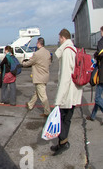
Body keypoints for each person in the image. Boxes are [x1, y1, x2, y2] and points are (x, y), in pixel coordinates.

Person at [51, 28, 83, 156]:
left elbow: (65, 77)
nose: (59, 41)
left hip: (68, 93)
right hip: (73, 91)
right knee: (66, 119)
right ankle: (61, 143)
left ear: (63, 38)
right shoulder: (73, 49)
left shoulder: (67, 51)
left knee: (62, 119)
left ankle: (63, 144)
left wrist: (58, 99)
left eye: (59, 39)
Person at [22, 37, 52, 117]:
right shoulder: (47, 52)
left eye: (36, 43)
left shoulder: (37, 54)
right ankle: (30, 104)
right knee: (37, 92)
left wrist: (22, 63)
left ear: (39, 43)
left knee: (42, 96)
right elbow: (49, 63)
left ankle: (47, 111)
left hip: (39, 77)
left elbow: (30, 63)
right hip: (45, 76)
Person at [87, 26, 103, 121]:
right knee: (99, 95)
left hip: (102, 73)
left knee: (97, 98)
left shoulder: (101, 42)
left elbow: (100, 54)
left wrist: (96, 55)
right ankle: (93, 116)